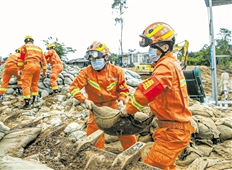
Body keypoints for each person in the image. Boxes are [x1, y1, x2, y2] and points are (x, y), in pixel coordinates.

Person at [120, 22, 195, 170]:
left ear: (165, 46)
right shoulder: (171, 63)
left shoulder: (166, 66)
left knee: (150, 166)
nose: (150, 51)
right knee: (165, 166)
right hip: (172, 130)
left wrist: (127, 109)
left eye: (152, 47)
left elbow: (147, 92)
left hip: (173, 133)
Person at [69, 41, 137, 150]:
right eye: (92, 60)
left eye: (97, 59)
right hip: (96, 108)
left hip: (114, 107)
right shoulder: (85, 72)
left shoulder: (117, 71)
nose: (95, 62)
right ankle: (97, 157)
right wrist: (84, 100)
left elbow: (123, 89)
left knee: (125, 131)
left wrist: (122, 100)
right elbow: (73, 88)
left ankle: (134, 154)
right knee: (94, 135)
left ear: (106, 57)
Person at [18, 35, 47, 109]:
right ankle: (35, 99)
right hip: (38, 66)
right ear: (32, 41)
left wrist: (20, 69)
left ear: (25, 41)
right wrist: (44, 71)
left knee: (26, 84)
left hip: (29, 65)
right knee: (35, 83)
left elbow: (21, 59)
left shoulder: (24, 46)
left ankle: (27, 103)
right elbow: (44, 61)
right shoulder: (39, 48)